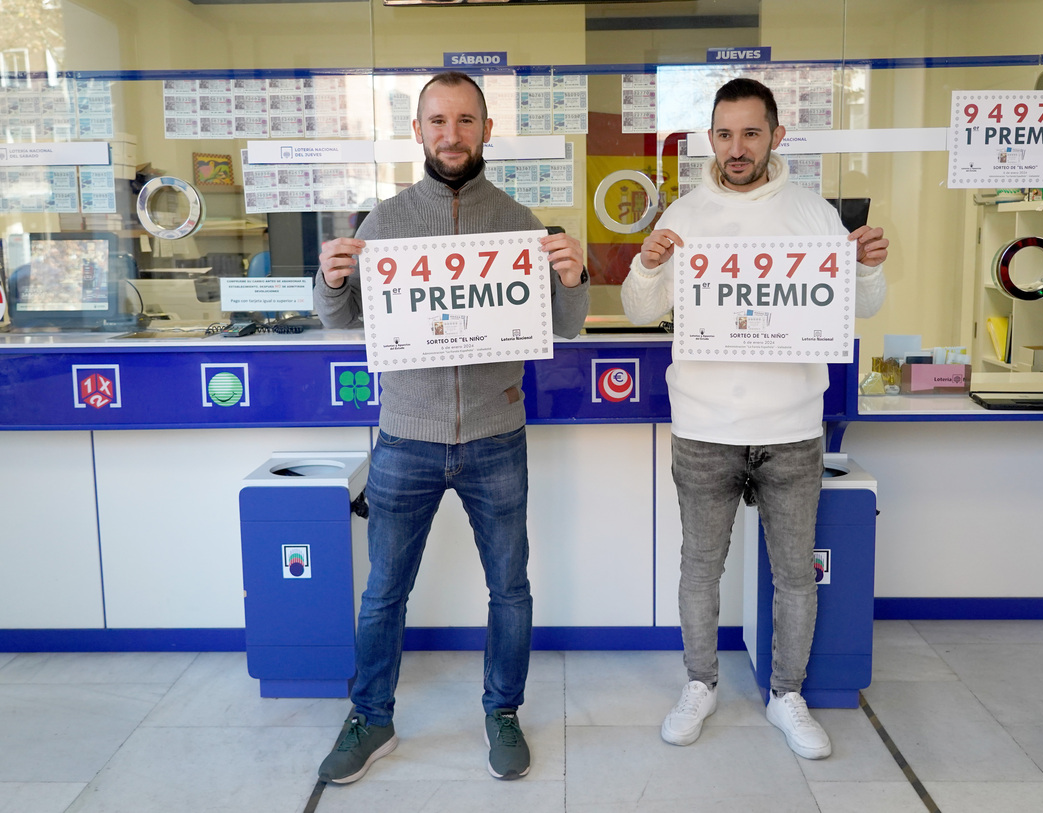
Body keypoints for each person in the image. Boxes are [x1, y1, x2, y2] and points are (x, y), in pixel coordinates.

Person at [314, 71, 589, 784]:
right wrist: (333, 278)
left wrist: (571, 273)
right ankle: (371, 715)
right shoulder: (384, 221)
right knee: (383, 591)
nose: (452, 134)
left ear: (486, 129)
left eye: (466, 120)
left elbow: (565, 323)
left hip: (498, 434)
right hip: (406, 435)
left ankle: (503, 710)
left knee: (510, 588)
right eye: (438, 120)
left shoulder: (523, 223)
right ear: (418, 132)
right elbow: (340, 320)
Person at [621, 77, 888, 760]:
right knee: (699, 567)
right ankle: (700, 684)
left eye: (750, 133)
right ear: (709, 138)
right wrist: (649, 265)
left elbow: (862, 306)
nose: (736, 148)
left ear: (776, 136)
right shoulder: (684, 213)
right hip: (705, 426)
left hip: (792, 425)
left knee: (796, 572)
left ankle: (787, 694)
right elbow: (637, 310)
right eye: (725, 133)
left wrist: (868, 267)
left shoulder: (813, 214)